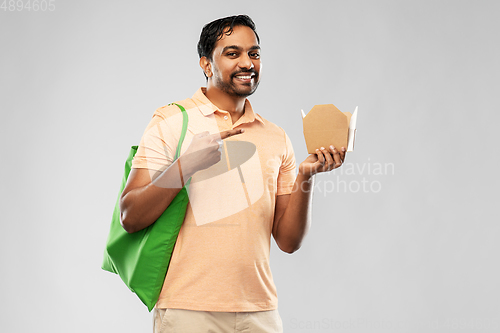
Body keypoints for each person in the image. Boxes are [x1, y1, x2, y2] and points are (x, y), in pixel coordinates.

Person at [119, 15, 345, 333]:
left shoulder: (276, 137)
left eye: (254, 53)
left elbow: (288, 241)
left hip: (260, 313)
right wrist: (187, 164)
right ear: (206, 64)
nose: (247, 63)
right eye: (232, 53)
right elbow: (130, 215)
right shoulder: (170, 121)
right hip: (189, 311)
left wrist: (306, 177)